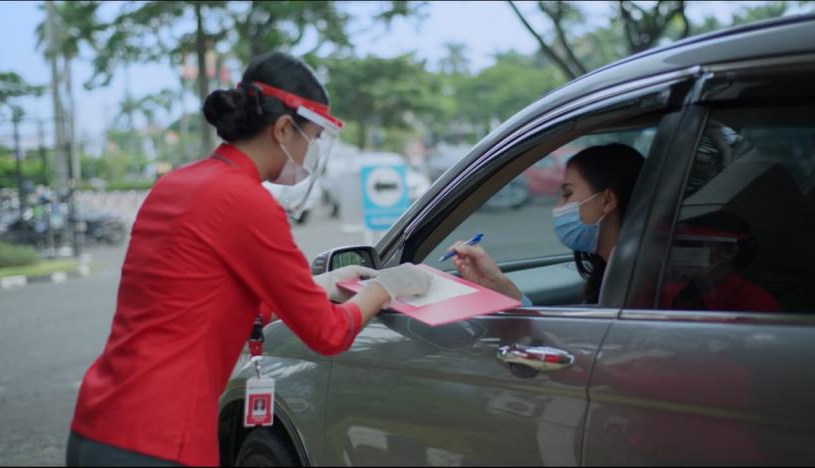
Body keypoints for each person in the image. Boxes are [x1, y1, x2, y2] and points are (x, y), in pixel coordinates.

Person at [66, 52, 432, 467]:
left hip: (97, 426)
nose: (312, 151)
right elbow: (328, 333)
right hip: (163, 439)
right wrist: (385, 288)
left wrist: (321, 285)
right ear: (282, 128)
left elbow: (198, 297)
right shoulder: (247, 202)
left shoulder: (177, 183)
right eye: (312, 137)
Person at [451, 143, 645, 305]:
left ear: (607, 200)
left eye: (568, 194)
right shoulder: (616, 273)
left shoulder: (641, 283)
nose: (559, 206)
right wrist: (496, 283)